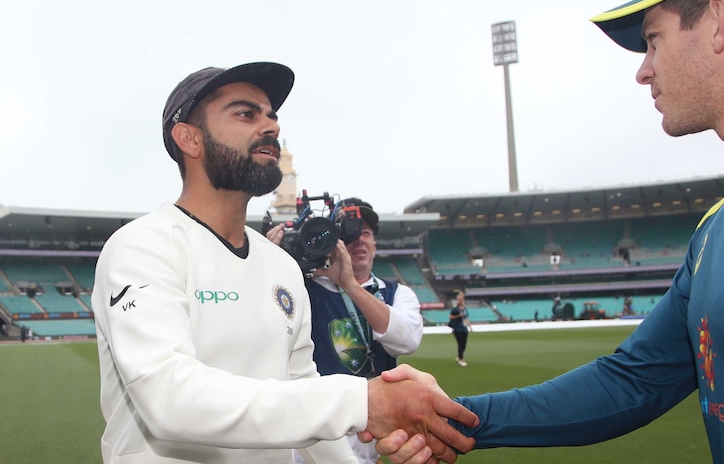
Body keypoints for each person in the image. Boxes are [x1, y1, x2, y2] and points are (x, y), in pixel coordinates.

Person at [370, 0, 724, 462]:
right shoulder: (718, 223)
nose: (643, 71)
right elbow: (633, 380)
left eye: (653, 40)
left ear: (718, 21)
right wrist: (451, 418)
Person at [91, 61, 477, 463]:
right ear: (189, 138)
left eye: (272, 116)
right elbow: (168, 399)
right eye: (246, 113)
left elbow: (302, 389)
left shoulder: (280, 266)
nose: (271, 127)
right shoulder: (142, 247)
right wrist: (363, 401)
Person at [266, 197, 424, 464]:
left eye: (365, 234)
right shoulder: (301, 290)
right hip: (313, 436)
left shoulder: (397, 293)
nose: (359, 241)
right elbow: (262, 332)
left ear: (375, 243)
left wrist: (349, 284)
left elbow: (406, 341)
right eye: (348, 235)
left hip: (368, 435)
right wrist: (267, 267)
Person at [448, 291, 471, 367]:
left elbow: (466, 317)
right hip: (457, 328)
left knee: (464, 344)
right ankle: (461, 359)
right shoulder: (455, 308)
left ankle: (459, 356)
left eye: (461, 299)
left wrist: (470, 326)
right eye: (459, 299)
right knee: (460, 343)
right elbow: (450, 317)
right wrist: (458, 315)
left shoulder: (465, 308)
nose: (460, 300)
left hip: (464, 328)